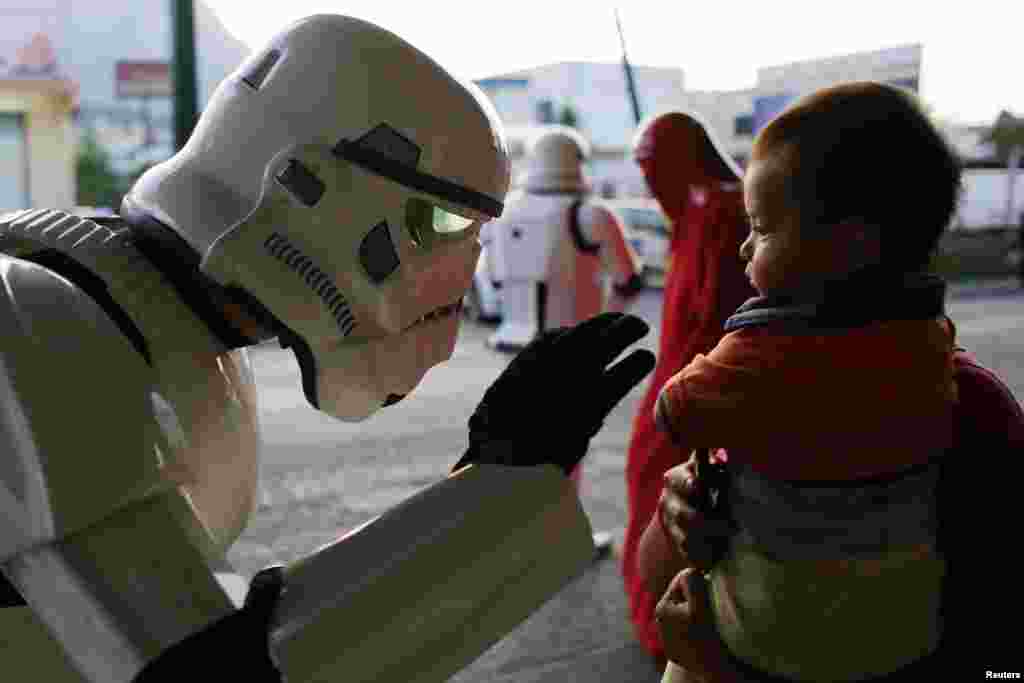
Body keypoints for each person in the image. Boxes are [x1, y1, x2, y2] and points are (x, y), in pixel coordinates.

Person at [0, 15, 655, 682]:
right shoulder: (40, 324)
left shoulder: (157, 327)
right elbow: (204, 668)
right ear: (305, 183)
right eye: (448, 219)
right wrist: (496, 488)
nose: (467, 256)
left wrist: (497, 483)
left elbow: (201, 617)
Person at [638, 81, 969, 682]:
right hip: (898, 639)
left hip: (767, 641)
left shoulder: (760, 356)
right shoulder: (931, 347)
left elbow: (674, 409)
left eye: (761, 230)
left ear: (850, 243)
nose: (744, 247)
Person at [620, 111, 755, 667]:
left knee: (676, 497)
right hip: (682, 378)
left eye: (652, 168)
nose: (649, 183)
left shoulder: (719, 209)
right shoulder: (705, 207)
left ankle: (674, 631)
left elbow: (721, 314)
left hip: (701, 386)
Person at [485, 126, 645, 353]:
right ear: (578, 162)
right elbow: (629, 282)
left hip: (514, 344)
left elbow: (493, 280)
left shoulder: (502, 213)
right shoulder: (591, 215)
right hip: (574, 344)